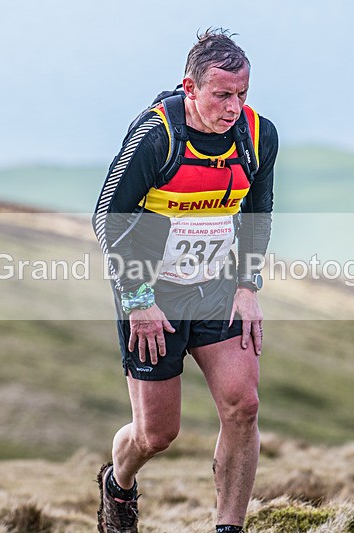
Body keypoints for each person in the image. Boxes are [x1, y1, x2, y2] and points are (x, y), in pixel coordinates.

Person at [91, 28, 278, 533]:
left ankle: (228, 527)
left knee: (244, 406)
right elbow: (108, 219)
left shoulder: (258, 135)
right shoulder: (157, 136)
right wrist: (137, 299)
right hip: (153, 294)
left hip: (217, 288)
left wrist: (248, 286)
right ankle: (118, 484)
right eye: (221, 94)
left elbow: (257, 215)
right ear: (190, 88)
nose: (234, 106)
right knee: (156, 434)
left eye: (242, 93)